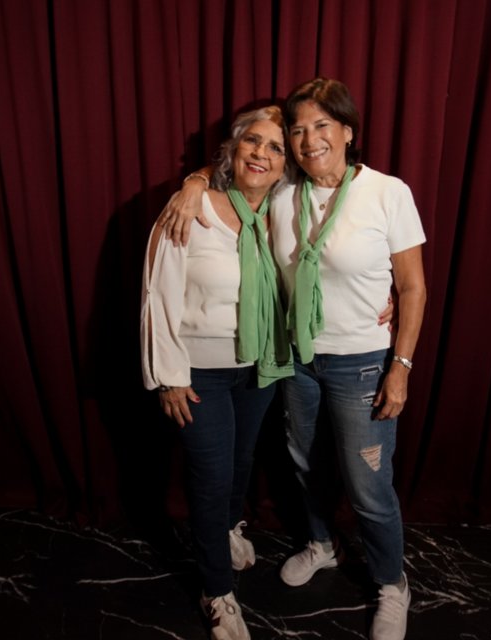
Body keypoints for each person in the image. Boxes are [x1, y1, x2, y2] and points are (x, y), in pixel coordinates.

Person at [159, 78, 427, 640]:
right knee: (305, 466)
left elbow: (413, 287)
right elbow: (237, 173)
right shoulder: (284, 192)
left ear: (348, 132)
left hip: (361, 361)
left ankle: (391, 583)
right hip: (295, 360)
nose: (308, 140)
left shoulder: (387, 192)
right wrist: (193, 180)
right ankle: (322, 544)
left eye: (321, 126)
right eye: (298, 130)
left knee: (367, 483)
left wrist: (400, 367)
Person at [141, 105, 294, 640]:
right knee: (210, 477)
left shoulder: (284, 215)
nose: (262, 153)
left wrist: (384, 299)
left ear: (286, 166)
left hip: (258, 366)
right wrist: (169, 375)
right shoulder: (192, 206)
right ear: (233, 149)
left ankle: (228, 527)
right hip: (198, 371)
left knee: (241, 462)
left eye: (276, 147)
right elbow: (157, 293)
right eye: (253, 141)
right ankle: (216, 591)